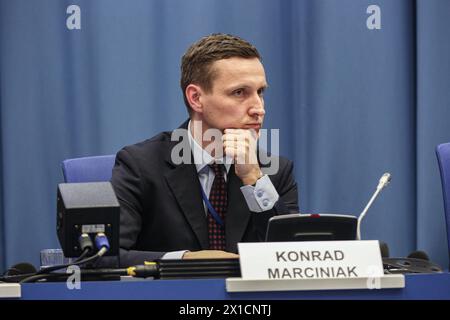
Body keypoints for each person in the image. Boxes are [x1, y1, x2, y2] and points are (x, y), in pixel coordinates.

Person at [111, 33, 299, 267]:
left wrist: (253, 178)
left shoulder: (275, 171)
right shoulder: (140, 165)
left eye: (260, 92)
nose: (258, 109)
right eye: (240, 93)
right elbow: (106, 256)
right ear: (196, 98)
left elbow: (292, 259)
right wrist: (187, 260)